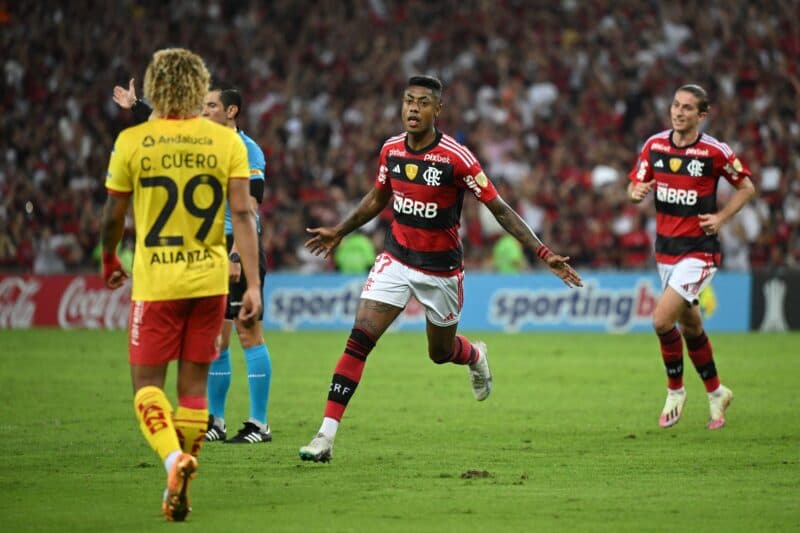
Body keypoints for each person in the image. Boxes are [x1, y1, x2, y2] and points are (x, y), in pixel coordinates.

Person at [298, 75, 582, 463]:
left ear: (438, 110)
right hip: (395, 259)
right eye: (408, 101)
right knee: (359, 339)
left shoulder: (457, 158)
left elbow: (498, 208)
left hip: (441, 271)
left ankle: (475, 356)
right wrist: (340, 231)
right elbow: (376, 198)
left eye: (423, 102)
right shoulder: (391, 150)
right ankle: (325, 436)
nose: (413, 109)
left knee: (440, 352)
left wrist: (542, 251)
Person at [101, 48, 261, 521]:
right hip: (210, 281)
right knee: (194, 389)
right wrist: (252, 284)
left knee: (147, 387)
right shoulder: (225, 143)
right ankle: (184, 477)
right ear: (198, 88)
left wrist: (110, 255)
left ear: (155, 87)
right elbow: (245, 215)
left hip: (157, 282)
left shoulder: (133, 141)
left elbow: (113, 213)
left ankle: (173, 460)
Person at [113, 80, 274, 444]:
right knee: (217, 337)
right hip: (207, 249)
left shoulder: (246, 148)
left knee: (249, 333)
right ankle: (215, 420)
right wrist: (137, 105)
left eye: (211, 106)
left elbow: (252, 203)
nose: (203, 112)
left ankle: (259, 423)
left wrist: (236, 255)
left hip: (238, 246)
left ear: (231, 111)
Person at [627, 84, 756, 430]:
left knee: (660, 321)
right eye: (675, 105)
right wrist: (636, 192)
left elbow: (746, 186)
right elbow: (635, 185)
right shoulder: (654, 146)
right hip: (665, 253)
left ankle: (675, 390)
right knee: (692, 326)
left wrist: (722, 218)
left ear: (702, 115)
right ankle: (716, 392)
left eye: (687, 108)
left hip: (699, 253)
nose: (678, 112)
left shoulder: (714, 152)